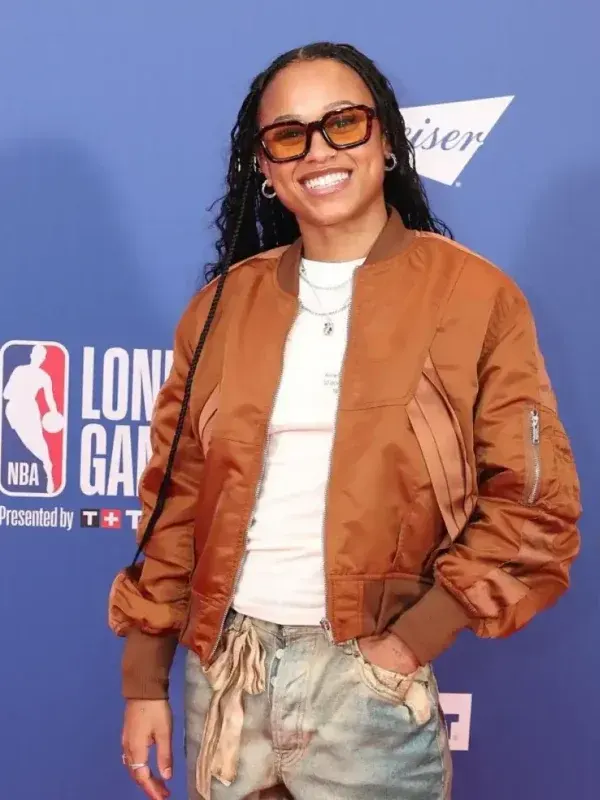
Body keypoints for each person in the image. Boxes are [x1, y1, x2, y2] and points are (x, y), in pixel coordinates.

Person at [109, 42, 582, 800]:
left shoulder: (475, 298)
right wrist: (144, 678)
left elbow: (533, 505)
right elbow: (176, 500)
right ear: (264, 168)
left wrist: (408, 643)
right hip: (224, 677)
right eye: (288, 135)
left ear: (385, 138)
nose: (318, 151)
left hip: (368, 689)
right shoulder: (222, 306)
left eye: (344, 123)